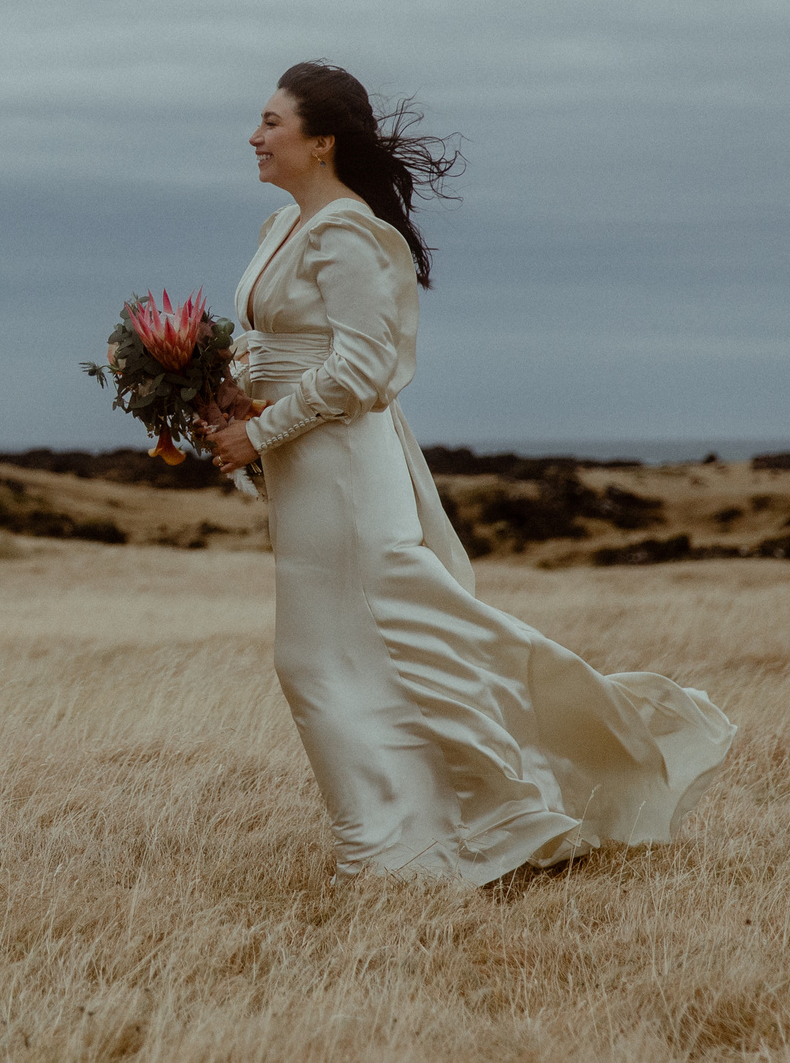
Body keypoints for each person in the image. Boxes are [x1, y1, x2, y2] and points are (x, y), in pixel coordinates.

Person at [199, 62, 734, 884]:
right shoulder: (282, 226)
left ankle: (392, 850)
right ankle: (423, 835)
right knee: (341, 656)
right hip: (302, 469)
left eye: (271, 122)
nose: (254, 136)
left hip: (344, 472)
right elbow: (280, 345)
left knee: (332, 654)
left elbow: (361, 369)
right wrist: (229, 396)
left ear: (322, 141)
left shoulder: (348, 233)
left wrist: (259, 430)